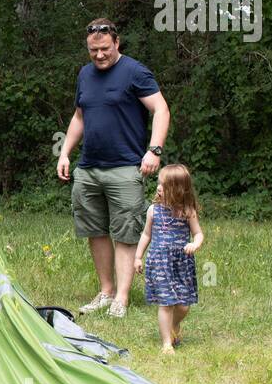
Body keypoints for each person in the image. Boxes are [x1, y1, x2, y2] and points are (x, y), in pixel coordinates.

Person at [56, 18, 170, 318]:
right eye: (93, 50)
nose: (100, 55)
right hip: (89, 168)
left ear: (116, 43)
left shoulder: (135, 72)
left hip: (124, 168)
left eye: (105, 49)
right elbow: (79, 116)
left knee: (125, 232)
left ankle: (121, 297)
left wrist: (154, 150)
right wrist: (65, 153)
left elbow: (160, 109)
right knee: (95, 230)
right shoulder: (85, 74)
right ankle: (106, 292)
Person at [134, 164, 204, 353]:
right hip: (160, 263)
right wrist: (138, 256)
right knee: (166, 303)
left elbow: (198, 234)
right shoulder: (153, 210)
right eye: (159, 183)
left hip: (181, 263)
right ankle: (166, 343)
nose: (158, 188)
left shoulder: (187, 211)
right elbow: (146, 235)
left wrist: (195, 244)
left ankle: (173, 326)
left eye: (163, 185)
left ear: (178, 190)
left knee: (184, 305)